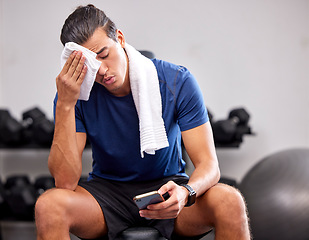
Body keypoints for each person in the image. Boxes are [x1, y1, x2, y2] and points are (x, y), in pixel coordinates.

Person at [35, 4, 251, 240]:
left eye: (104, 54)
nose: (102, 70)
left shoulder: (176, 81)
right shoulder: (75, 94)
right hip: (106, 195)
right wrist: (65, 104)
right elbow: (65, 182)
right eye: (91, 64)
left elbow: (209, 166)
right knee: (49, 205)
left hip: (168, 189)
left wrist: (186, 192)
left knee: (230, 201)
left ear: (120, 38)